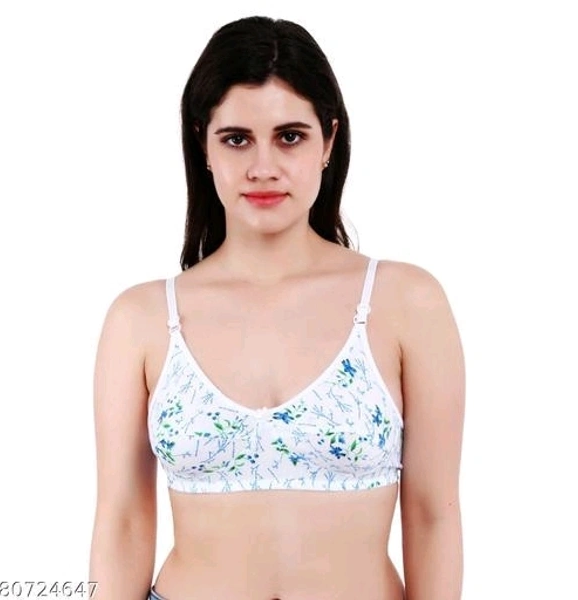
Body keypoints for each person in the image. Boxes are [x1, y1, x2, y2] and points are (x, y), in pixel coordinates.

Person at [89, 15, 465, 600]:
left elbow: (433, 514)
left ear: (328, 142)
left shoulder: (406, 303)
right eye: (236, 138)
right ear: (203, 144)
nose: (263, 167)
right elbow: (122, 522)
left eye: (290, 136)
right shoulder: (141, 319)